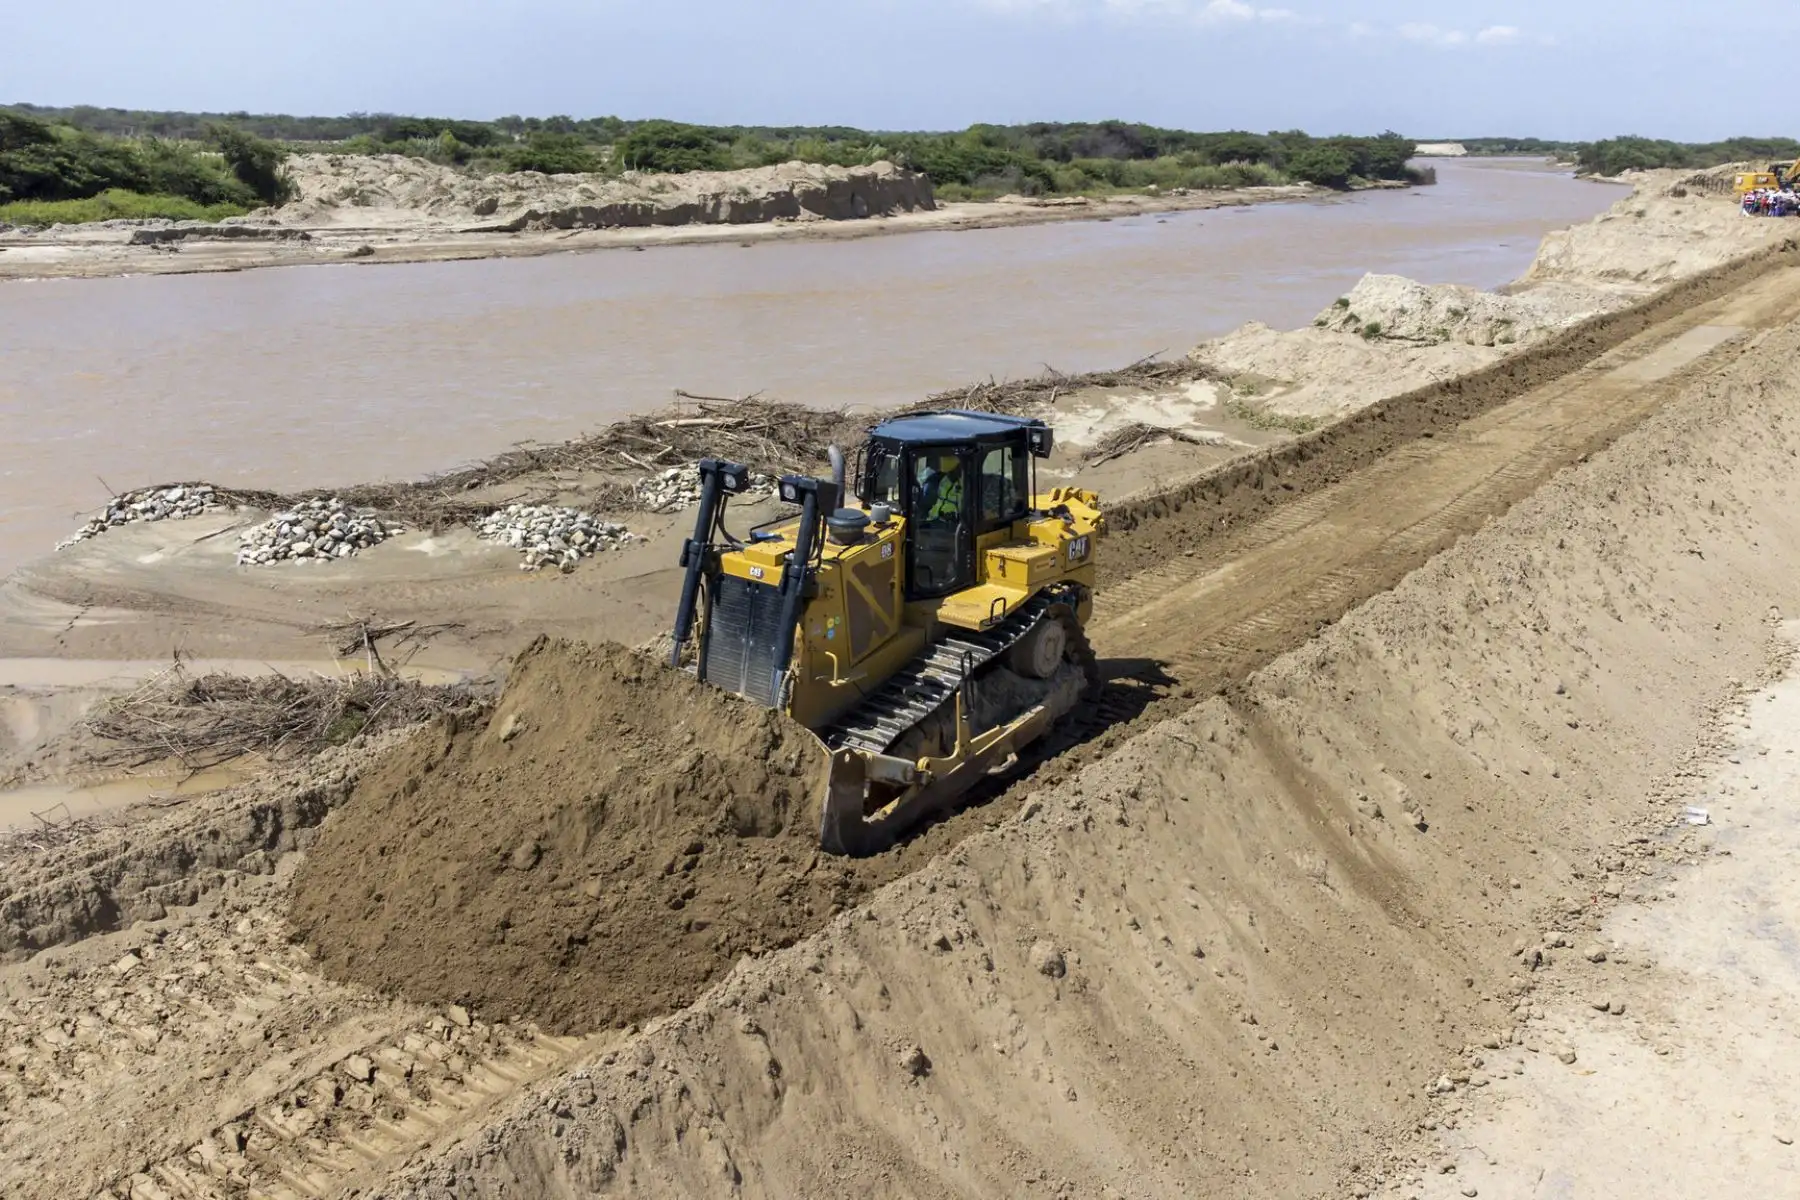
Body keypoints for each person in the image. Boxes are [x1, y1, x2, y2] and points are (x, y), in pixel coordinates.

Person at [919, 453, 964, 523]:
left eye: (952, 470)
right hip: (932, 523)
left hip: (955, 525)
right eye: (949, 472)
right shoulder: (935, 480)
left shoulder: (970, 485)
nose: (949, 474)